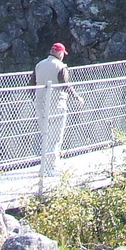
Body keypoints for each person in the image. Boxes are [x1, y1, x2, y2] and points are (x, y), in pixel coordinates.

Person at [34, 42, 82, 174]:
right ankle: (51, 167)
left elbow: (32, 84)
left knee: (45, 135)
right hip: (56, 104)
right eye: (62, 54)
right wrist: (77, 97)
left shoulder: (39, 65)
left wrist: (36, 99)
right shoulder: (61, 66)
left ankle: (43, 166)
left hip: (40, 104)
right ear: (60, 53)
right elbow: (65, 84)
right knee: (55, 137)